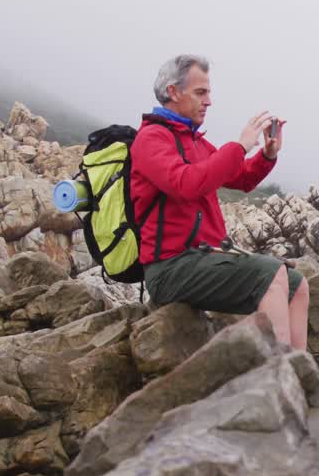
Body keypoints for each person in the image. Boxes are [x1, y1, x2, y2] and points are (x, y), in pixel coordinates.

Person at [130, 54, 308, 350]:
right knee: (271, 275)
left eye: (209, 92)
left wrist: (267, 154)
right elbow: (186, 184)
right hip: (170, 267)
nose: (209, 101)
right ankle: (280, 375)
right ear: (173, 92)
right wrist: (239, 145)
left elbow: (241, 179)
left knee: (297, 285)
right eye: (201, 92)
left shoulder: (194, 140)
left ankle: (303, 373)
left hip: (204, 257)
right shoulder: (151, 139)